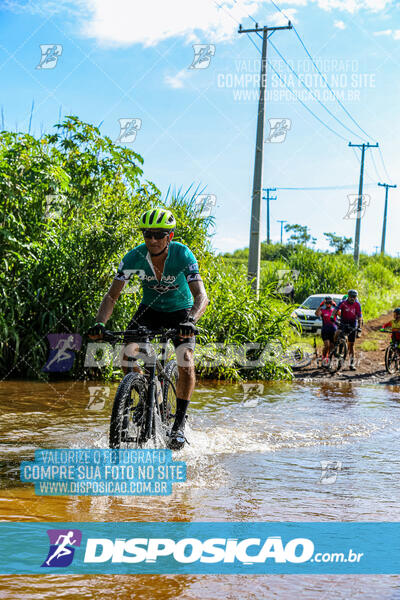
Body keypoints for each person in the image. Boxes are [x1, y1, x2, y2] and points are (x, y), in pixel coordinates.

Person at [88, 207, 209, 450]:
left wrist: (191, 321)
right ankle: (146, 393)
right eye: (147, 234)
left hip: (180, 311)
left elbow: (202, 297)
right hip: (150, 309)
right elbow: (112, 297)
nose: (152, 239)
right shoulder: (134, 257)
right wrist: (100, 323)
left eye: (158, 234)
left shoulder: (183, 255)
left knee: (185, 359)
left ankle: (179, 425)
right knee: (127, 354)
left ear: (169, 236)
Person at [331, 289, 363, 371]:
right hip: (343, 322)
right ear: (348, 296)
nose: (353, 298)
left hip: (352, 324)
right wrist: (332, 316)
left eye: (354, 297)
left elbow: (359, 317)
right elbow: (335, 310)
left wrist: (359, 327)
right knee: (337, 333)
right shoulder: (343, 303)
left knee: (351, 346)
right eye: (351, 297)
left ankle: (351, 364)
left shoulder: (357, 304)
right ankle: (335, 345)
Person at [315, 296, 337, 366]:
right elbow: (316, 314)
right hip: (325, 330)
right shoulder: (323, 310)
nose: (328, 304)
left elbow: (341, 314)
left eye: (329, 303)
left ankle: (329, 360)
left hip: (333, 330)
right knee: (326, 345)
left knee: (332, 346)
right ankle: (324, 358)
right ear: (325, 303)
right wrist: (320, 305)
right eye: (327, 303)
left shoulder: (334, 310)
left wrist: (336, 306)